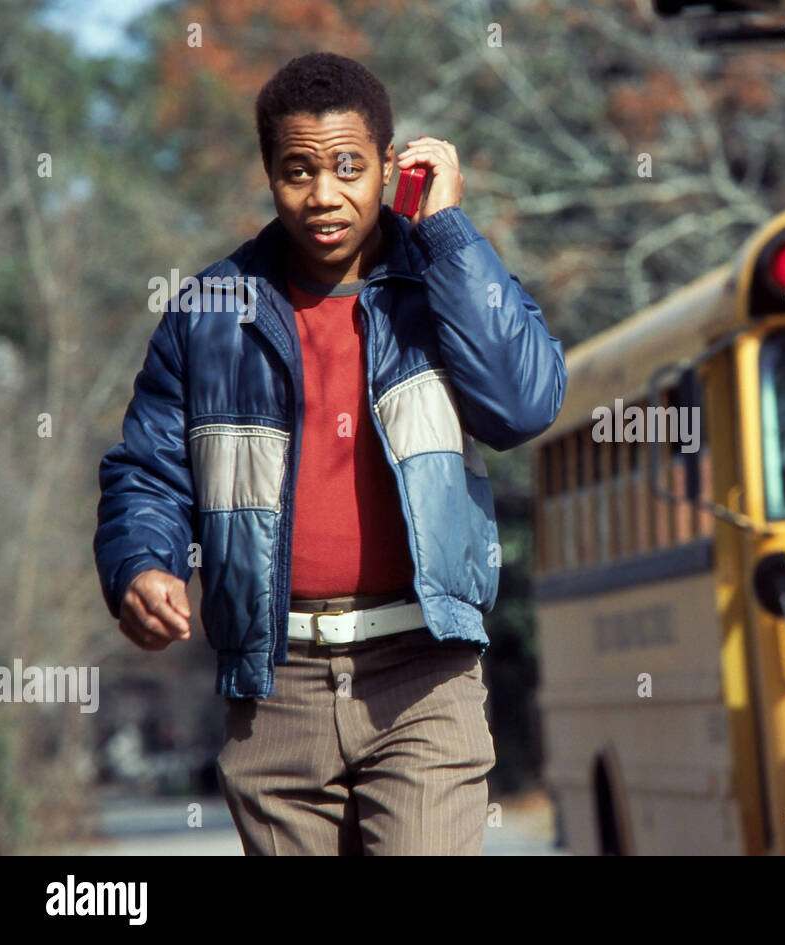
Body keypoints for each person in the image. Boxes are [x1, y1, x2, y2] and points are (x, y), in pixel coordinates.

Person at [92, 52, 566, 855]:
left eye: (350, 166)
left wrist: (447, 231)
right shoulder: (207, 314)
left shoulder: (442, 282)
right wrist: (141, 563)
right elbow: (147, 470)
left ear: (390, 165)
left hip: (425, 673)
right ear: (269, 174)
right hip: (273, 686)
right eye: (297, 170)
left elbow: (524, 403)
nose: (324, 195)